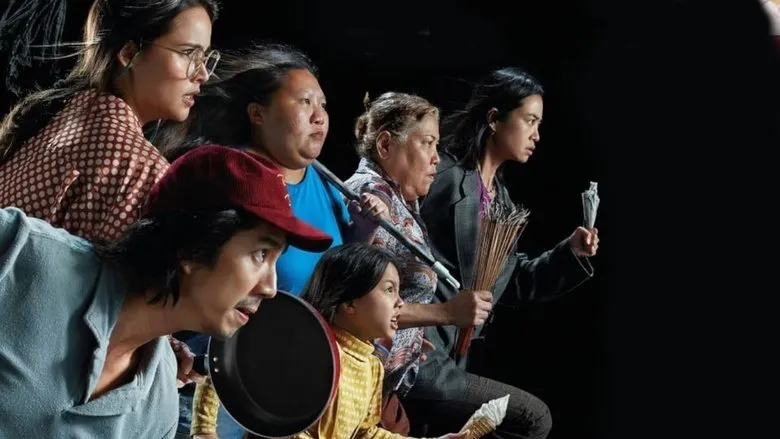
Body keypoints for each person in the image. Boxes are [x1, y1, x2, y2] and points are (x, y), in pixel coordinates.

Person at [0, 144, 333, 438]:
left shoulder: (159, 410)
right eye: (261, 254)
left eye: (275, 260)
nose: (270, 287)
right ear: (193, 248)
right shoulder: (20, 252)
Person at [165, 43, 389, 439]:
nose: (319, 116)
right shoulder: (225, 177)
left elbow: (335, 284)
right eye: (305, 101)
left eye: (323, 104)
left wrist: (362, 233)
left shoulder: (327, 188)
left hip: (281, 391)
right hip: (210, 385)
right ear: (257, 113)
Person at [407, 67, 599, 438]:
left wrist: (570, 252)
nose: (536, 135)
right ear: (494, 119)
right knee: (533, 418)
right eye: (530, 121)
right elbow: (397, 244)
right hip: (420, 355)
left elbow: (514, 281)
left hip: (454, 364)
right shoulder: (443, 176)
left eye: (538, 124)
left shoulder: (502, 205)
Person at [0, 0, 220, 244]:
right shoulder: (143, 172)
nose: (203, 74)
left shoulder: (56, 112)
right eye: (188, 53)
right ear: (129, 54)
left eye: (205, 57)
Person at [344, 92, 495, 413]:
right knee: (529, 415)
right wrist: (447, 313)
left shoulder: (399, 199)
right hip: (371, 383)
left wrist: (412, 337)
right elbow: (357, 306)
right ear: (386, 145)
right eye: (427, 143)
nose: (436, 158)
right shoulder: (373, 200)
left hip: (400, 372)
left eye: (436, 145)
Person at [295, 242, 467, 439]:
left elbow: (366, 433)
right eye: (389, 290)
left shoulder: (372, 366)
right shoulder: (316, 356)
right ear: (350, 302)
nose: (400, 302)